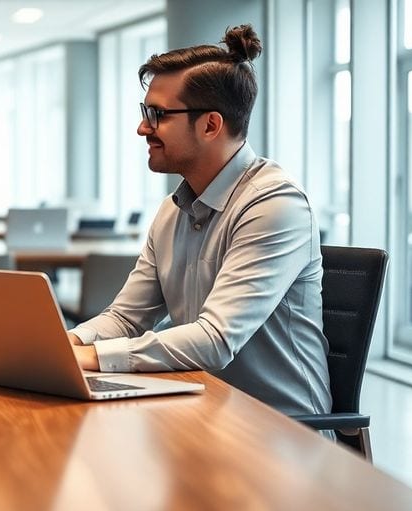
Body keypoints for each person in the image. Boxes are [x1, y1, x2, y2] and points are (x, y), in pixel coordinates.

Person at [67, 25, 331, 415]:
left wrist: (92, 358)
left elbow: (214, 340)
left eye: (156, 115)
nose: (143, 128)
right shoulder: (172, 209)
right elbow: (126, 318)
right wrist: (67, 344)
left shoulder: (275, 205)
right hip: (196, 406)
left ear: (210, 125)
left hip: (279, 431)